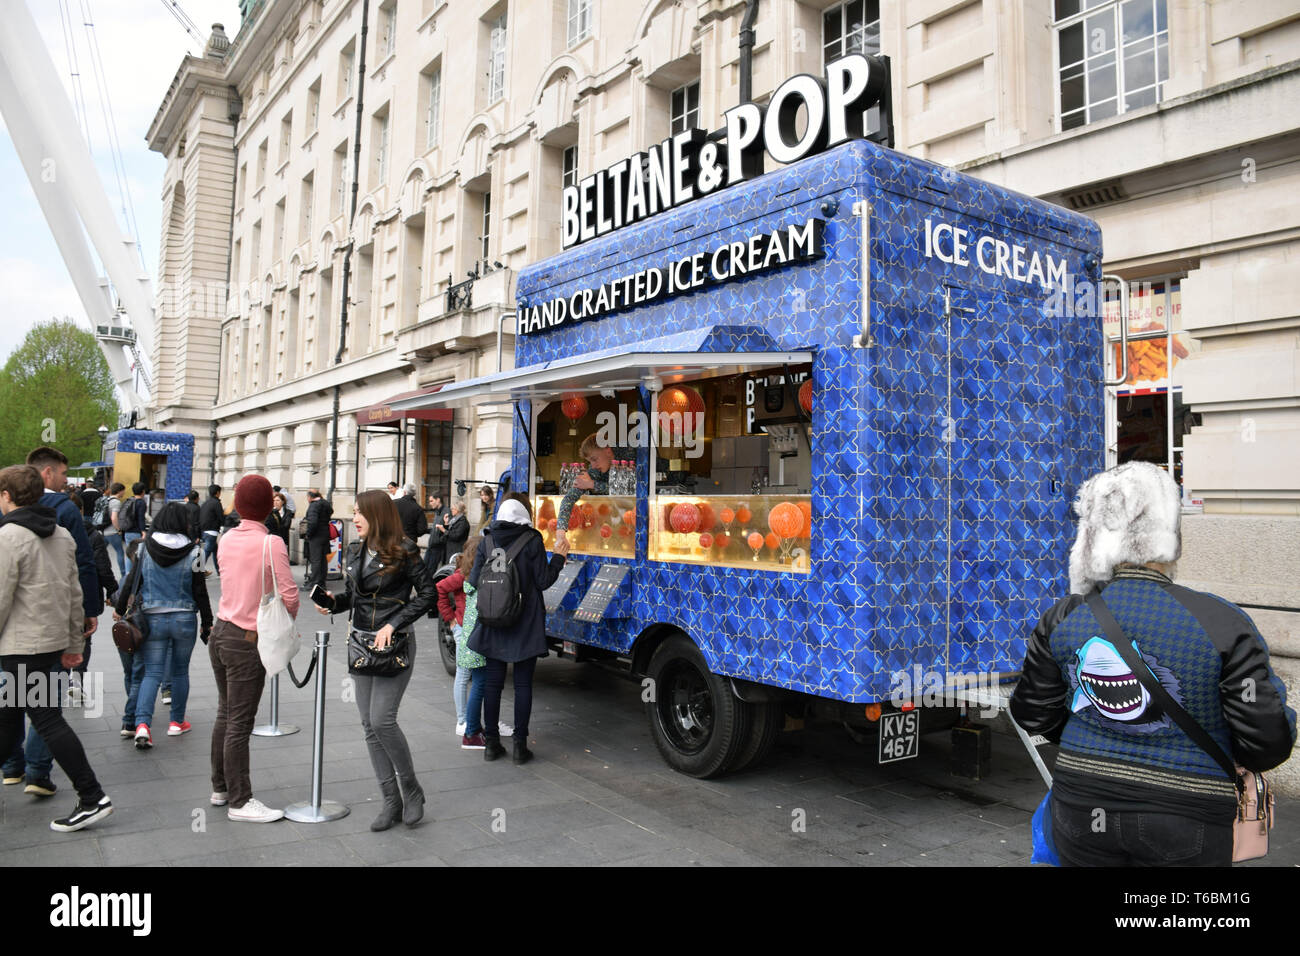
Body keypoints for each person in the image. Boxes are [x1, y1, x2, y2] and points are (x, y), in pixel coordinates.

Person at [1010, 462, 1296, 867]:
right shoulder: (1223, 621)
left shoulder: (1065, 617)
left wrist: (1098, 730)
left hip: (1081, 807)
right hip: (1186, 817)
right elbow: (1268, 742)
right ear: (1171, 537)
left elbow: (1032, 713)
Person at [314, 490, 437, 831]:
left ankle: (411, 789)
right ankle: (390, 800)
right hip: (361, 645)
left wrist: (394, 622)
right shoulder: (355, 550)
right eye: (354, 513)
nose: (354, 519)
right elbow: (355, 598)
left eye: (359, 513)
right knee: (369, 726)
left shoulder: (405, 549)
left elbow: (429, 594)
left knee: (382, 720)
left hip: (394, 646)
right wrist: (332, 603)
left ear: (377, 515)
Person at [0, 465, 113, 832]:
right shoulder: (61, 534)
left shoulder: (9, 537)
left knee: (44, 719)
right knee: (10, 716)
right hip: (47, 645)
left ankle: (93, 795)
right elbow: (73, 591)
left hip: (20, 646)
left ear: (7, 496)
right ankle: (67, 786)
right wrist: (72, 642)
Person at [210, 475, 299, 823]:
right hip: (247, 638)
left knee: (224, 713)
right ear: (267, 506)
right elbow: (289, 594)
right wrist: (285, 619)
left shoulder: (226, 538)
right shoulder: (271, 543)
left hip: (220, 631)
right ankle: (240, 801)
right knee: (240, 723)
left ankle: (220, 787)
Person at [467, 493, 568, 764]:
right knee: (523, 684)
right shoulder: (532, 540)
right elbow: (544, 581)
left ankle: (491, 745)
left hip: (493, 621)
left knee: (493, 683)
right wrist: (558, 557)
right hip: (524, 622)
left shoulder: (487, 540)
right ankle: (521, 748)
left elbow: (475, 580)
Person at [112, 502, 212, 748]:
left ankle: (142, 724)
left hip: (152, 618)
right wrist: (207, 622)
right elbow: (200, 590)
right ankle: (176, 722)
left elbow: (132, 583)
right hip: (185, 619)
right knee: (179, 671)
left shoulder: (144, 550)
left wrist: (118, 608)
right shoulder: (196, 552)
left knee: (152, 673)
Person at [557, 433, 613, 532]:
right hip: (600, 526)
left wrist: (592, 485)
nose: (593, 466)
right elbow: (569, 498)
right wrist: (561, 531)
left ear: (607, 451)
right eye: (590, 462)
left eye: (594, 459)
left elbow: (633, 491)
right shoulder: (594, 470)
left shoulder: (630, 460)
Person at [303, 489, 333, 592]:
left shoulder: (313, 505)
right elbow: (331, 511)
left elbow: (312, 522)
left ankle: (314, 583)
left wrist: (308, 534)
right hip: (325, 534)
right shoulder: (325, 503)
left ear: (310, 497)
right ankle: (321, 582)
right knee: (323, 560)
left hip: (316, 536)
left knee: (316, 560)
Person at [120, 482, 148, 576]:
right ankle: (134, 574)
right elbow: (141, 518)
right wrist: (143, 531)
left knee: (129, 552)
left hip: (127, 530)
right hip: (136, 531)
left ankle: (128, 574)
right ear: (143, 491)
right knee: (136, 554)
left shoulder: (130, 500)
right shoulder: (141, 503)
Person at [199, 484, 224, 574]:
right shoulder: (216, 503)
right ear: (217, 493)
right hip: (212, 531)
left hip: (204, 531)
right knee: (206, 552)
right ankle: (198, 570)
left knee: (215, 551)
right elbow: (221, 517)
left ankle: (219, 571)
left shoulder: (205, 503)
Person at [424, 493, 450, 572]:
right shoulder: (437, 512)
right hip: (431, 546)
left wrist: (439, 541)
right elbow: (435, 529)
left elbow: (447, 530)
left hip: (438, 548)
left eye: (432, 501)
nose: (430, 503)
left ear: (438, 500)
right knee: (424, 569)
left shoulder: (447, 512)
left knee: (431, 572)